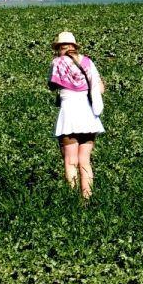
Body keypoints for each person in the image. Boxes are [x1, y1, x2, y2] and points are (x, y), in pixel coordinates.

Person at [47, 31, 105, 200]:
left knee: (70, 161)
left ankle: (72, 199)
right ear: (74, 46)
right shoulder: (87, 62)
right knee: (85, 161)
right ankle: (87, 199)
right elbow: (100, 89)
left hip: (69, 116)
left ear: (59, 48)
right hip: (88, 116)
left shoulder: (57, 62)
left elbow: (52, 85)